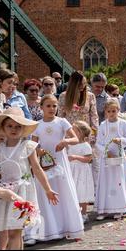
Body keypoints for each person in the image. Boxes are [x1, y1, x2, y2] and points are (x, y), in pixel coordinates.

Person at [0, 107, 59, 249]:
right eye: (10, 126)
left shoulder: (28, 147)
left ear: (23, 129)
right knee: (6, 231)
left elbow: (37, 169)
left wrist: (48, 189)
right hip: (4, 195)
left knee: (16, 231)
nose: (14, 129)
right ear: (3, 128)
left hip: (22, 193)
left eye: (18, 126)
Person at [30, 95, 84, 243]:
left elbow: (76, 139)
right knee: (46, 194)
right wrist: (39, 150)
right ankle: (50, 229)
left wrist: (65, 141)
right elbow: (33, 146)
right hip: (44, 164)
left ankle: (68, 226)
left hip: (60, 162)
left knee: (63, 192)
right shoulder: (37, 125)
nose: (52, 109)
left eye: (54, 106)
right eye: (48, 106)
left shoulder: (62, 122)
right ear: (41, 107)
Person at [95, 100, 126, 220]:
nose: (111, 113)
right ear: (105, 112)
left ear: (118, 111)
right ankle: (105, 208)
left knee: (119, 180)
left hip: (119, 155)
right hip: (106, 156)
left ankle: (120, 208)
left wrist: (121, 140)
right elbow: (98, 142)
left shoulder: (123, 123)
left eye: (114, 111)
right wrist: (105, 151)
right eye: (109, 111)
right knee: (106, 181)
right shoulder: (103, 125)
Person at [68, 121, 94, 224]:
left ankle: (84, 213)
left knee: (82, 191)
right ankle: (74, 213)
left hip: (81, 171)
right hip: (72, 170)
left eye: (74, 131)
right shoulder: (69, 144)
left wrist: (75, 157)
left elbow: (88, 159)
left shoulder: (85, 145)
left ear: (81, 133)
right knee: (74, 191)